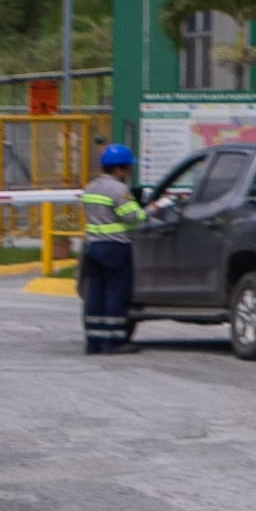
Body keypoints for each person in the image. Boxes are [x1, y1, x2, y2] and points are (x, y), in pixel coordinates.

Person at [77, 143, 143, 354]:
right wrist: (150, 210)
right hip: (115, 247)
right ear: (119, 168)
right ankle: (113, 341)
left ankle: (93, 341)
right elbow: (133, 217)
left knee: (95, 293)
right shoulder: (119, 189)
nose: (130, 171)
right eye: (128, 167)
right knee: (116, 292)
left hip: (93, 247)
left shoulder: (90, 187)